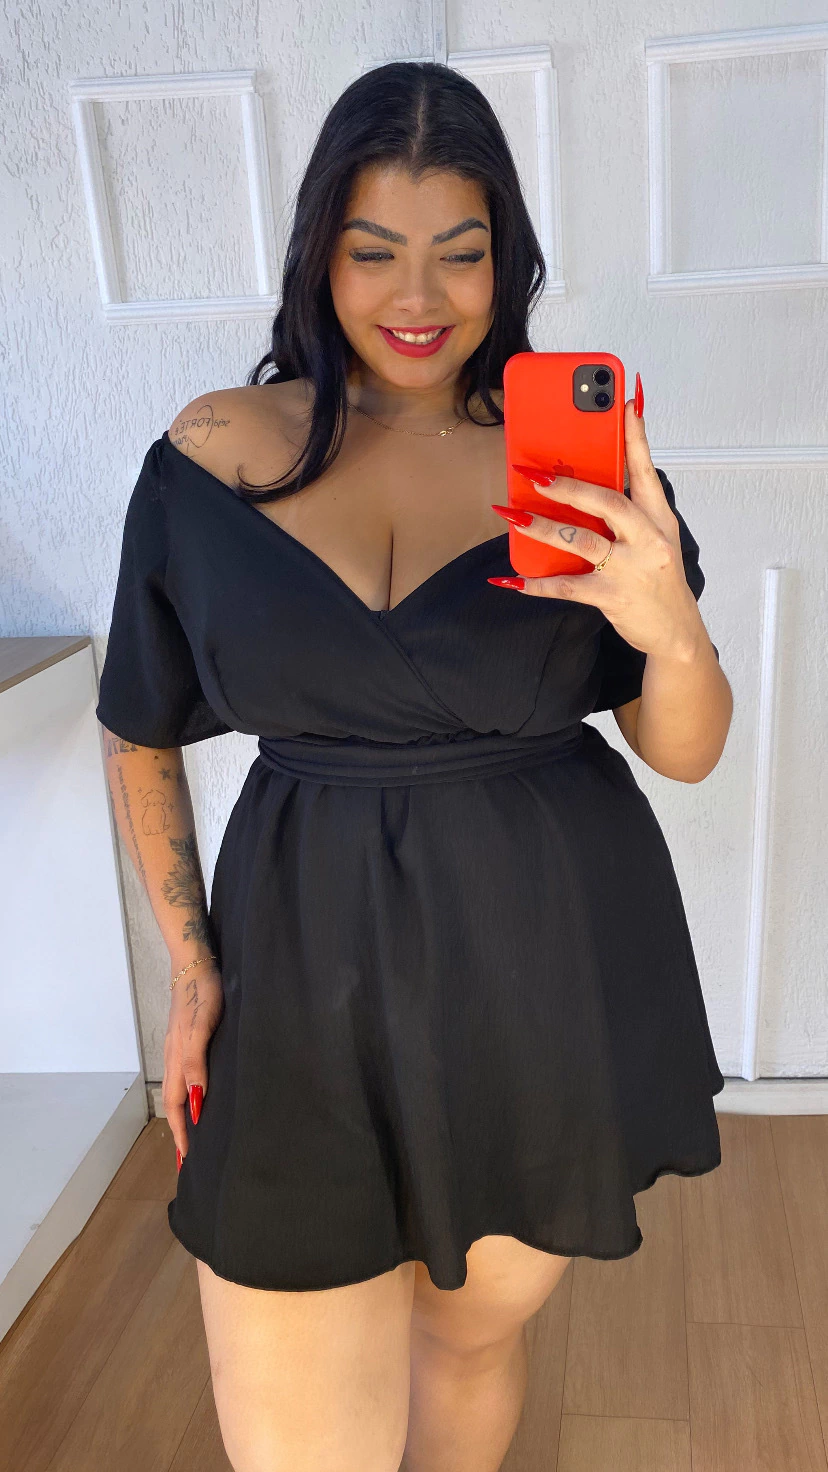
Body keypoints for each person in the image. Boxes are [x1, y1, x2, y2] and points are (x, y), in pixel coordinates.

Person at [95, 59, 732, 1472]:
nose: (418, 296)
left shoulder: (583, 467)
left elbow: (684, 749)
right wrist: (191, 970)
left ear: (508, 259)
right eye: (374, 249)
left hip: (539, 967)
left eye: (461, 250)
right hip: (297, 971)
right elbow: (140, 720)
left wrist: (668, 622)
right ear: (319, 251)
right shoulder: (213, 453)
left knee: (468, 1341)